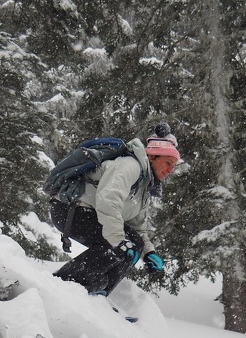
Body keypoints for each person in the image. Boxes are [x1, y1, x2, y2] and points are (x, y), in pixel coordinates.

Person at [49, 123, 180, 296]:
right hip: (68, 210)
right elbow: (108, 200)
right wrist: (118, 241)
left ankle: (98, 294)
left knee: (133, 245)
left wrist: (149, 253)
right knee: (122, 246)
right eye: (168, 162)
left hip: (87, 214)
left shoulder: (144, 187)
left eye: (174, 166)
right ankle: (58, 285)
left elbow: (138, 228)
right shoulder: (130, 166)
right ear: (154, 156)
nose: (170, 170)